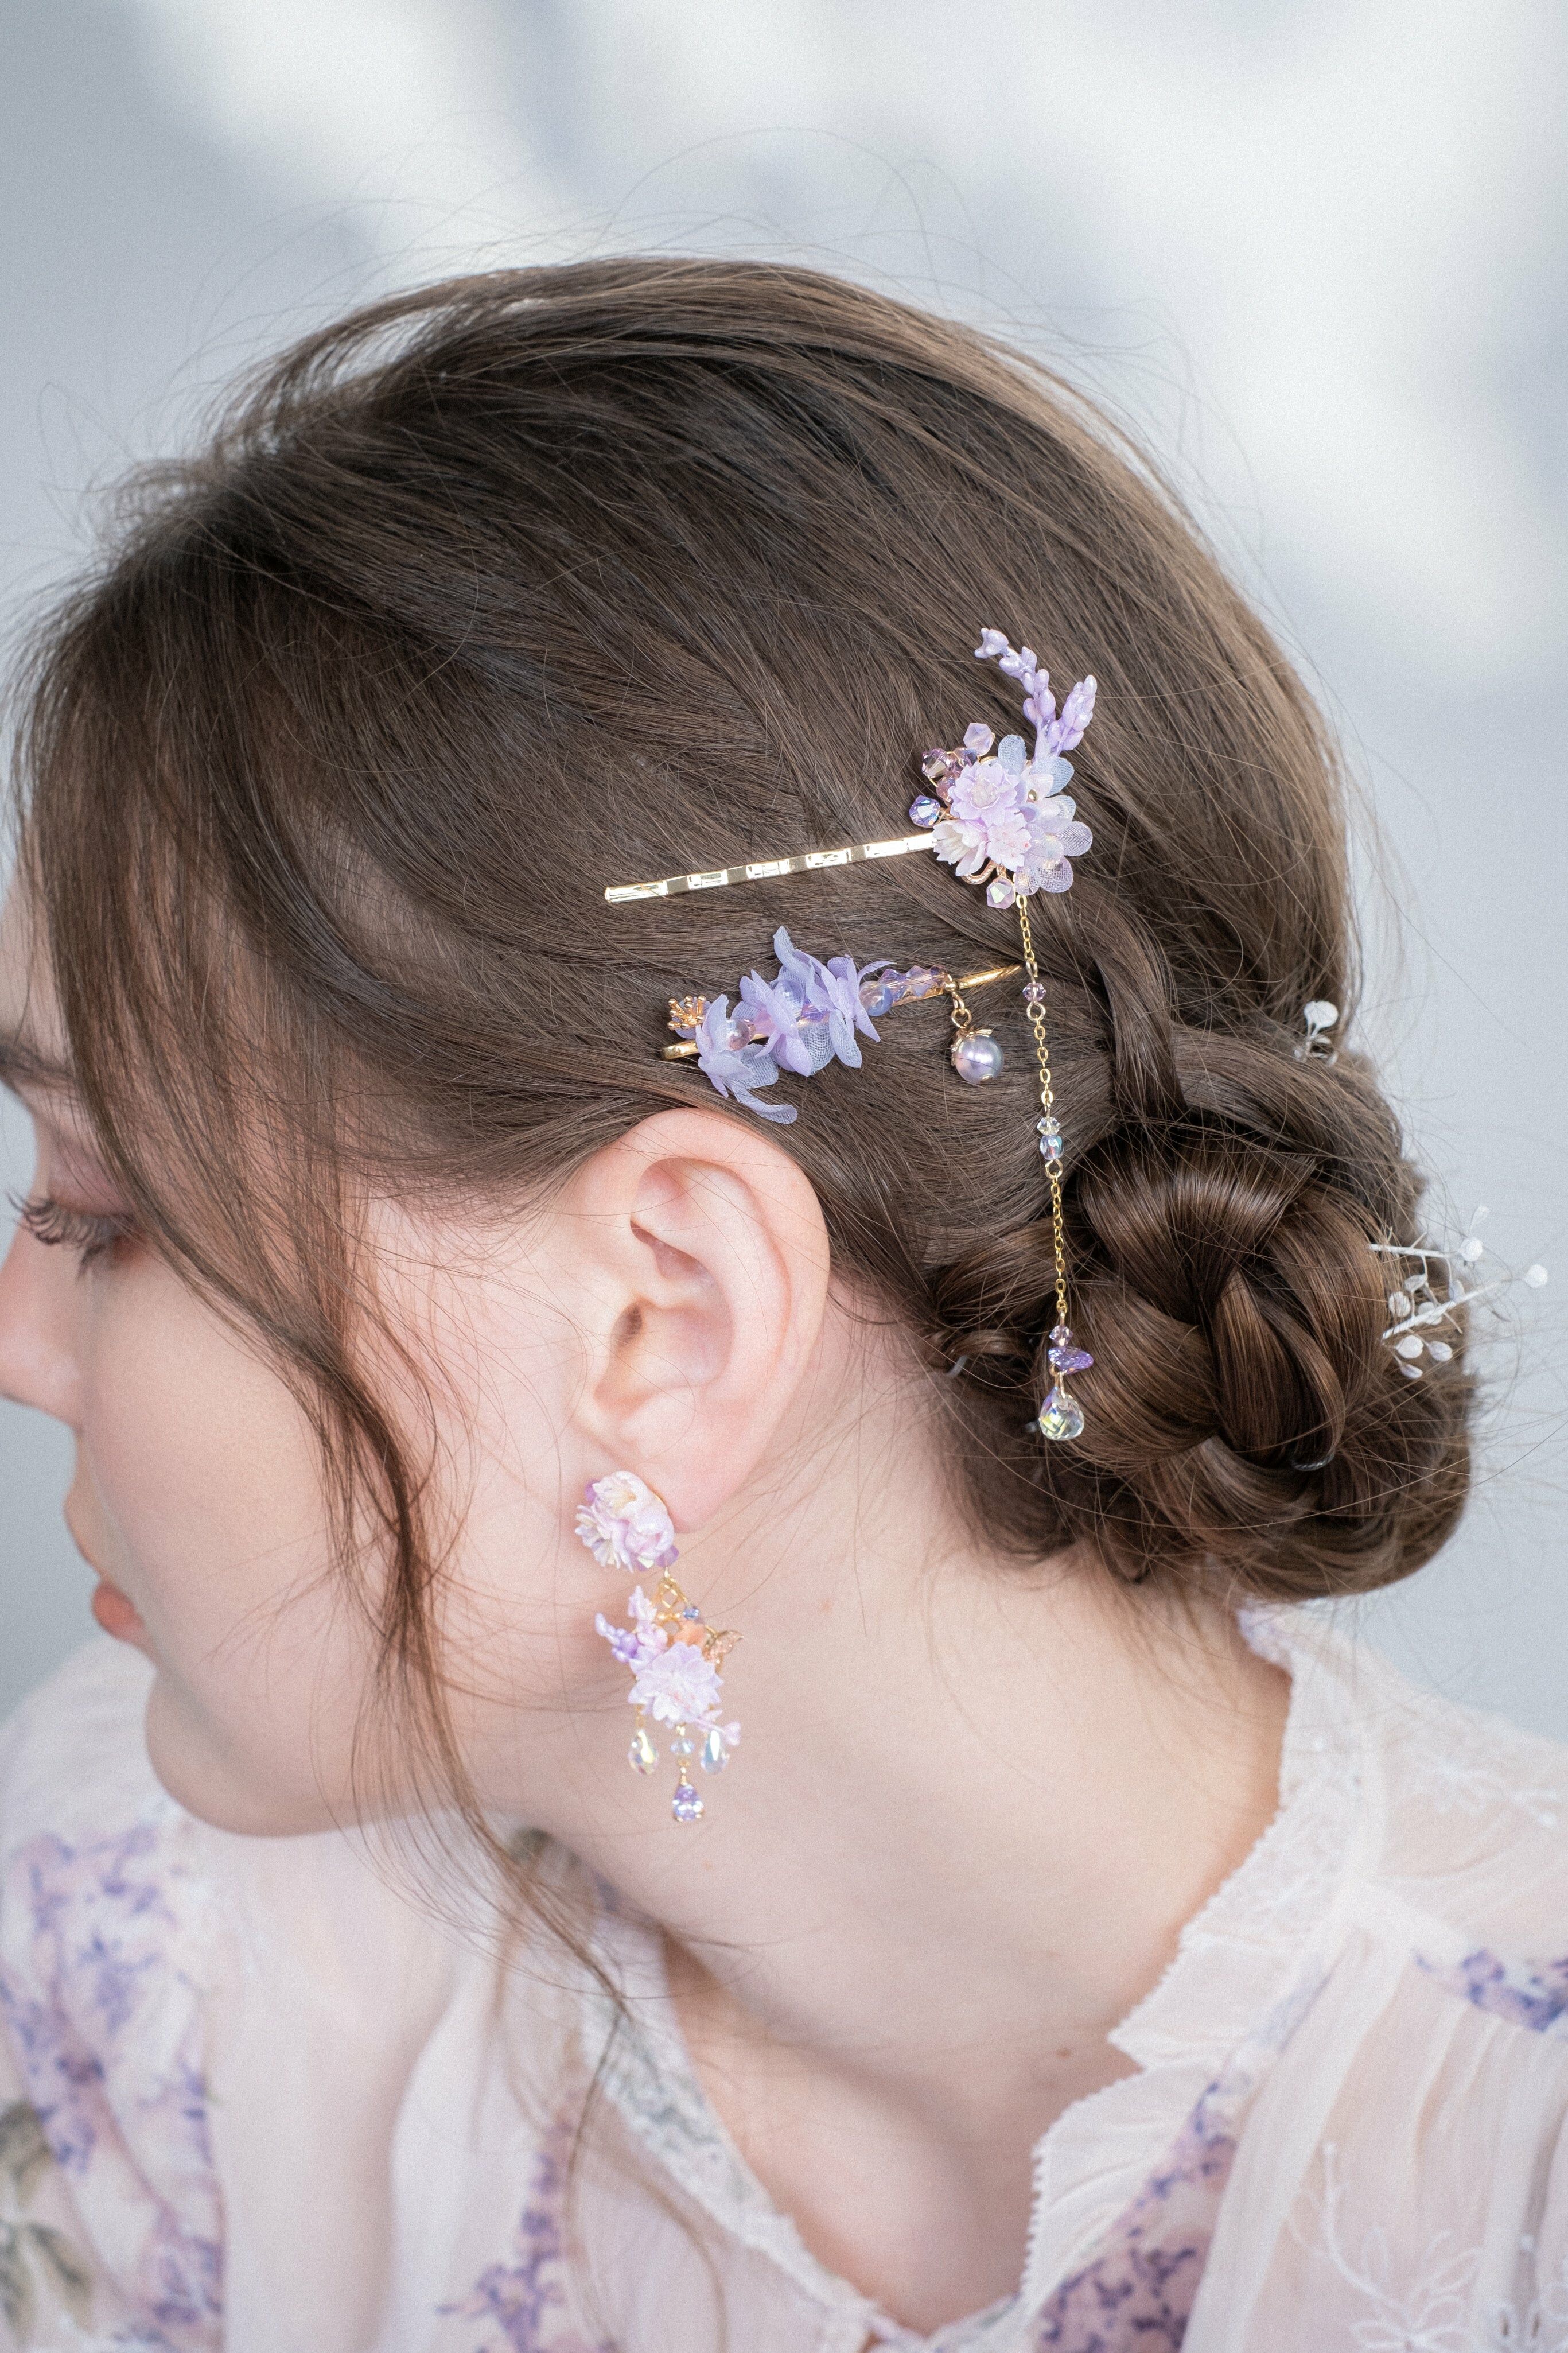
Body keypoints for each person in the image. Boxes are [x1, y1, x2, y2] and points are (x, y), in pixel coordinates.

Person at [0, 259, 1561, 2353]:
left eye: (100, 1209)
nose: (17, 1334)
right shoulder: (145, 1943)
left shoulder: (1518, 2187)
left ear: (665, 1321)